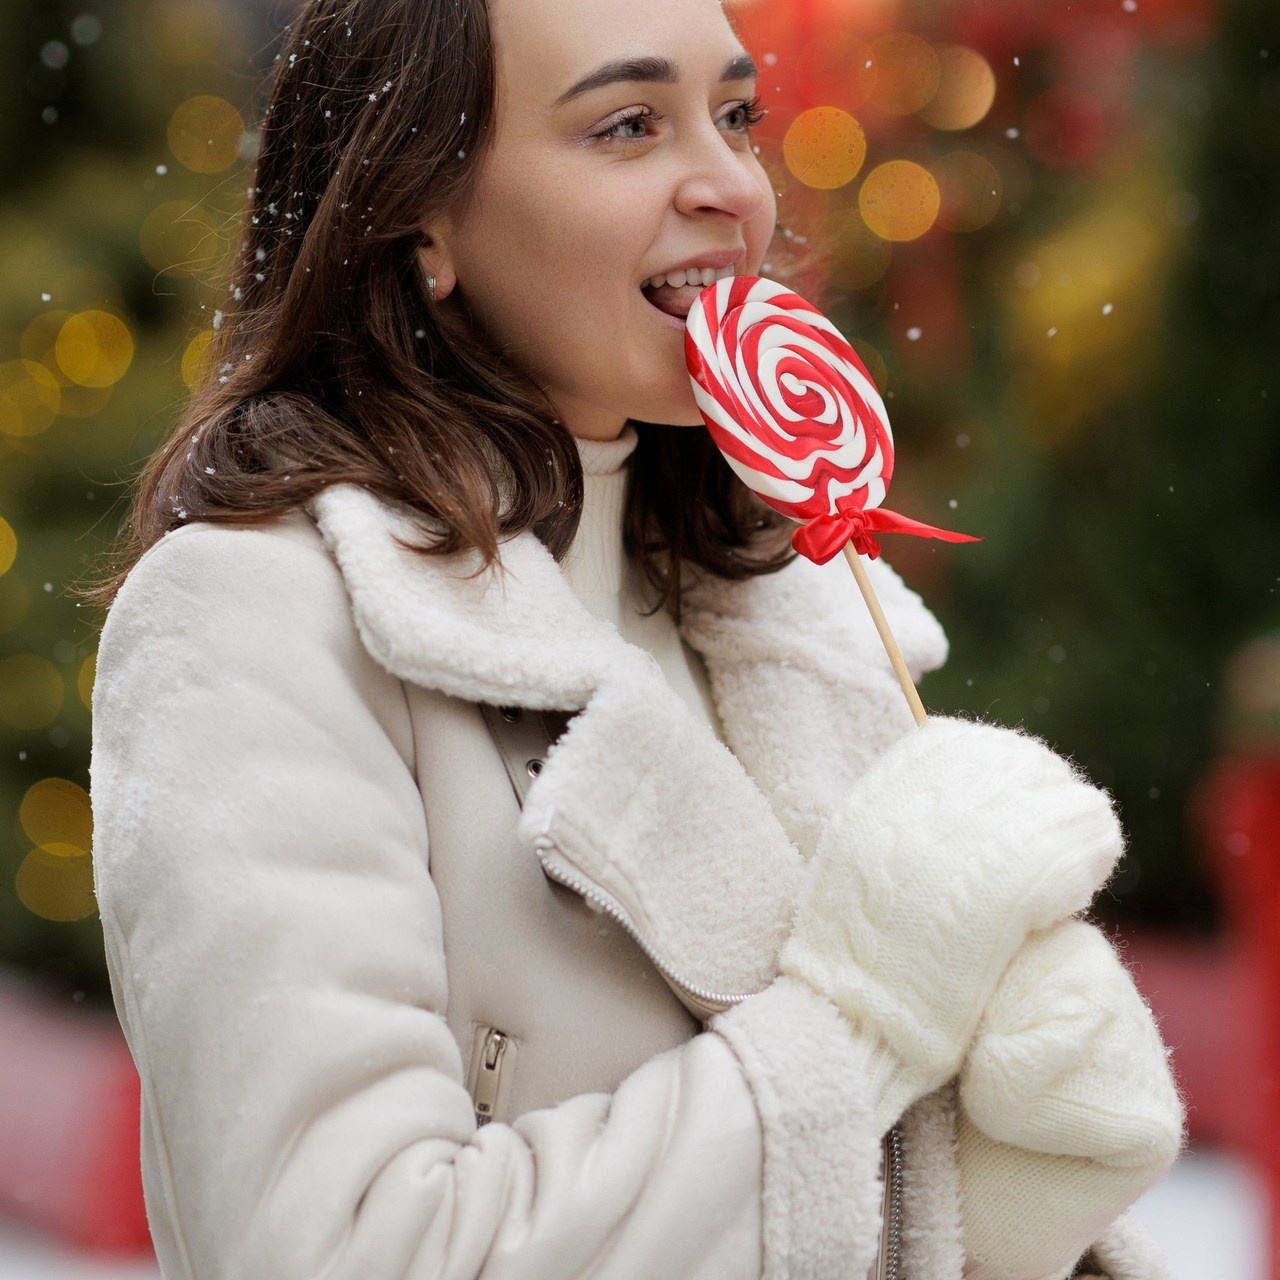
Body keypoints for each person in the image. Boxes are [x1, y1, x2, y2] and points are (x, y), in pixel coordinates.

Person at [89, 0, 1184, 1276]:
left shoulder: (795, 615)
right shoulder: (261, 620)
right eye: (625, 125)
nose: (729, 187)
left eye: (733, 116)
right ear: (418, 214)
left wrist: (1011, 1201)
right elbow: (344, 1250)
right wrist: (859, 1025)